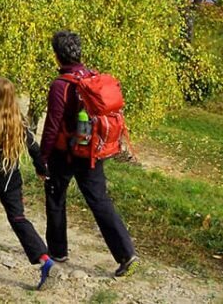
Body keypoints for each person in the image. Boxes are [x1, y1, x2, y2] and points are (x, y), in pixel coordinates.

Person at [40, 30, 138, 277]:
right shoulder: (92, 77)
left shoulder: (60, 85)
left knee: (55, 197)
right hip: (92, 151)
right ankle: (126, 253)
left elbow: (52, 125)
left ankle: (58, 251)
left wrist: (42, 157)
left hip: (64, 153)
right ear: (79, 52)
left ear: (57, 56)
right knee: (99, 201)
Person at [0, 76, 54, 290]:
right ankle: (44, 258)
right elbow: (34, 148)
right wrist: (42, 169)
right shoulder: (19, 120)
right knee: (18, 218)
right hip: (11, 179)